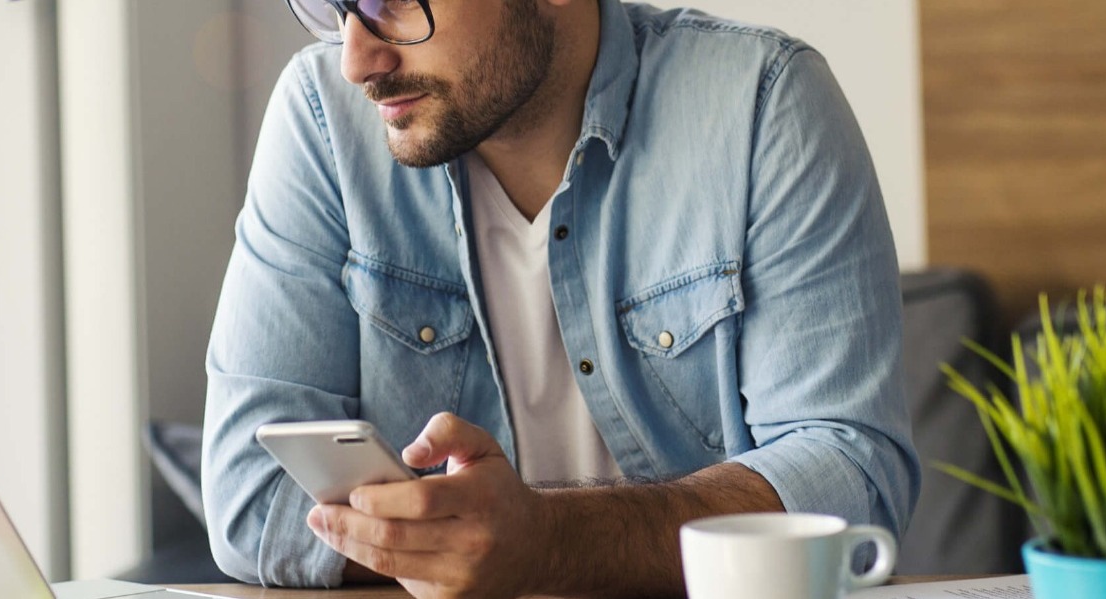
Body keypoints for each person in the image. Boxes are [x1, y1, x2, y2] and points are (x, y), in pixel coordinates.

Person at [201, 0, 918, 596]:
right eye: (337, 6)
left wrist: (546, 540)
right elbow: (251, 493)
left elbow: (850, 477)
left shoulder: (761, 102)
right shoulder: (323, 121)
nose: (358, 61)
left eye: (394, 3)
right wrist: (464, 541)